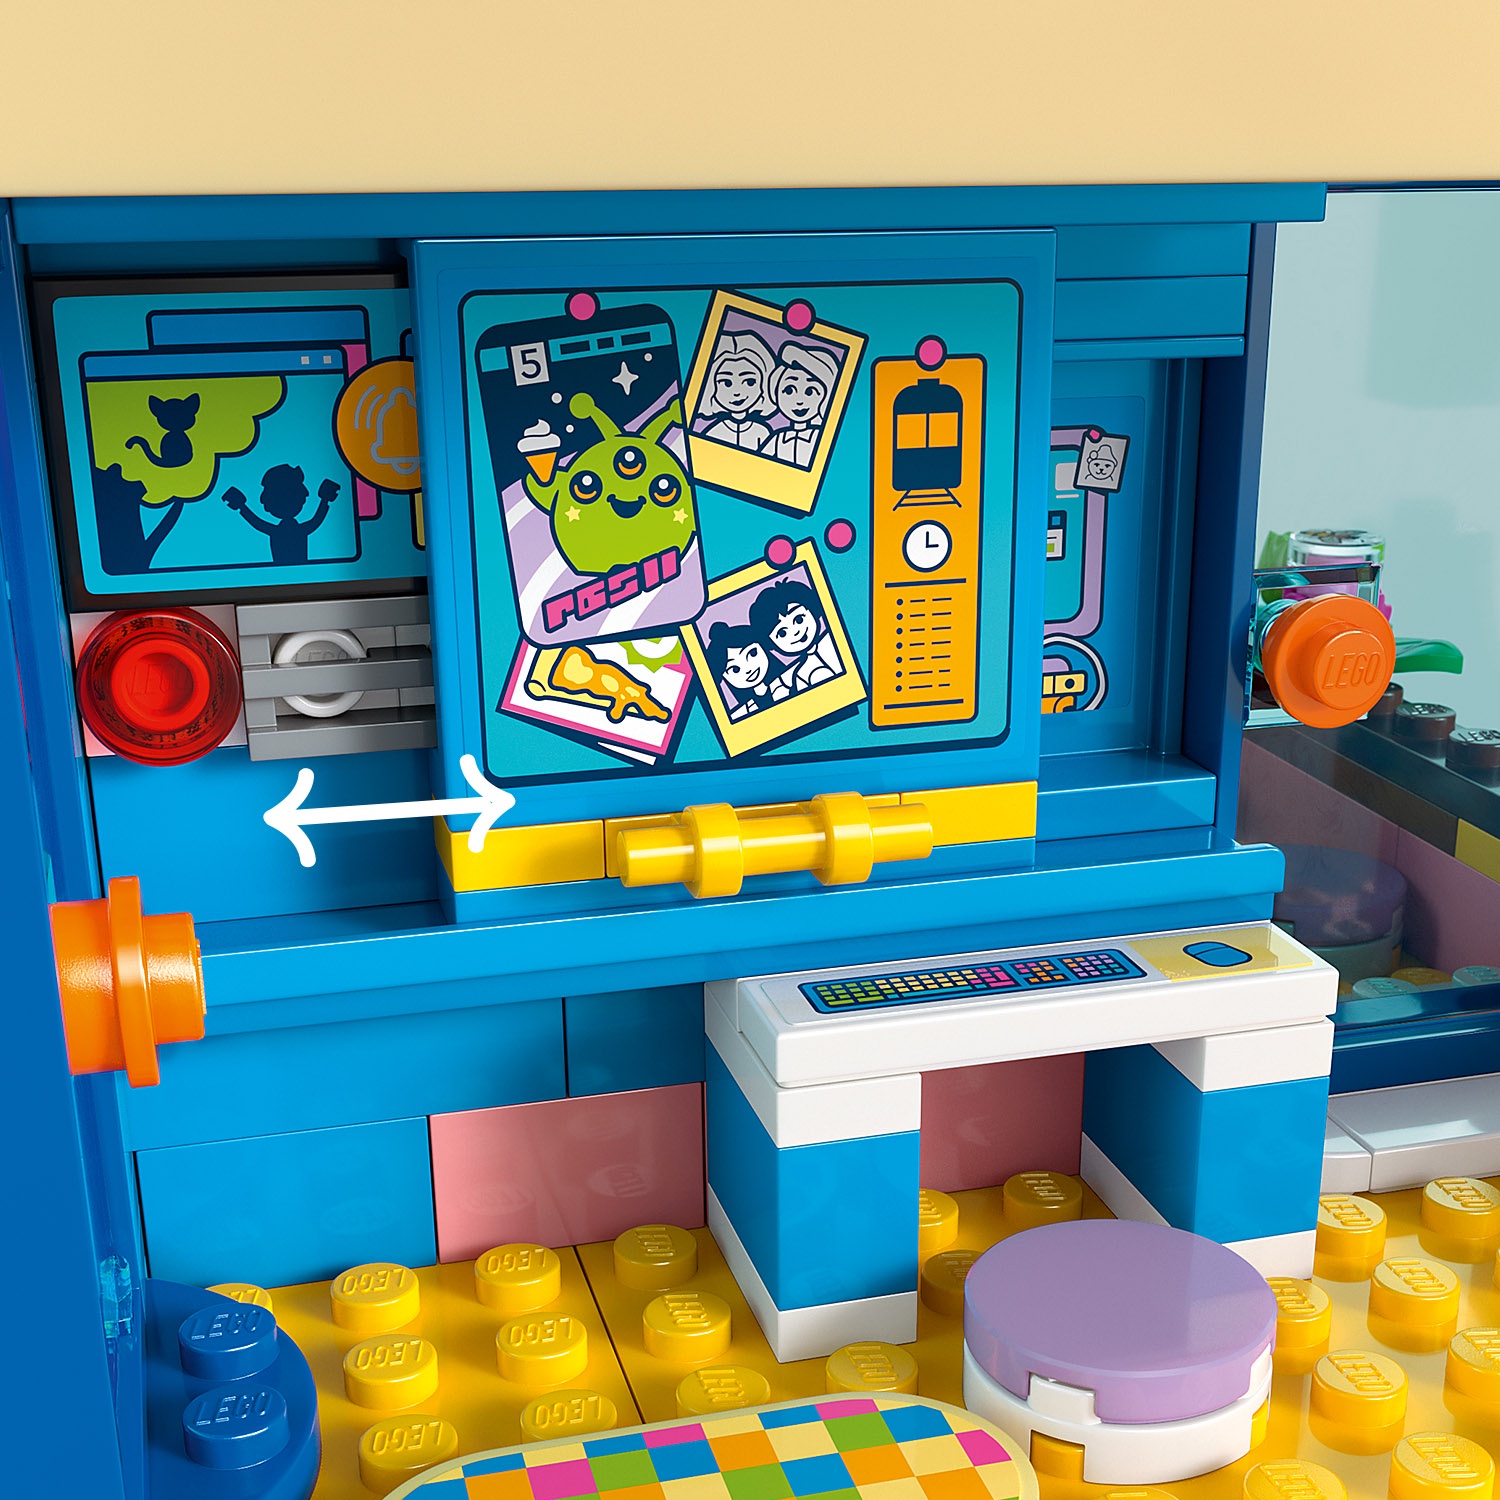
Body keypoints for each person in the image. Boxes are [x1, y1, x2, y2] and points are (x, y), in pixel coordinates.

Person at [748, 577, 843, 693]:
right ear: (770, 643)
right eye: (782, 633)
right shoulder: (801, 676)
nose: (795, 632)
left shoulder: (836, 641)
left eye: (799, 619)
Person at [760, 342, 839, 469]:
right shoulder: (778, 439)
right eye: (789, 390)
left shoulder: (821, 439)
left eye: (810, 391)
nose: (799, 401)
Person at [695, 331, 778, 451]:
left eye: (749, 382)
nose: (737, 392)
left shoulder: (762, 432)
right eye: (726, 383)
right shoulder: (715, 431)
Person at [704, 620, 788, 720]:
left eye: (753, 653)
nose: (748, 669)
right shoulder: (740, 715)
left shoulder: (792, 680)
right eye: (735, 669)